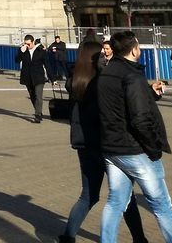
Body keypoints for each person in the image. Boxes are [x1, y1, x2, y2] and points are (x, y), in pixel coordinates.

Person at [97, 29, 172, 243]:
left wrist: (149, 93)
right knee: (162, 205)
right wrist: (154, 148)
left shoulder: (107, 73)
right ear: (134, 49)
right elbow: (139, 119)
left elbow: (121, 105)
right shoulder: (131, 76)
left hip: (112, 147)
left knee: (115, 202)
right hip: (134, 149)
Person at [59, 40, 147, 243]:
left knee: (88, 195)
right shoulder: (102, 82)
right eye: (102, 55)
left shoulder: (75, 81)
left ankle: (68, 237)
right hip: (106, 145)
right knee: (124, 196)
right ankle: (139, 238)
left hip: (83, 144)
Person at [16, 34, 48, 123]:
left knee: (38, 96)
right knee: (32, 96)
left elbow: (47, 65)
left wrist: (53, 79)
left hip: (39, 77)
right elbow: (17, 60)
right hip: (27, 77)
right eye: (25, 43)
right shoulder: (22, 50)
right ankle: (39, 111)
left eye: (28, 44)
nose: (27, 45)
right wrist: (21, 52)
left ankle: (37, 115)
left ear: (33, 42)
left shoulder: (40, 51)